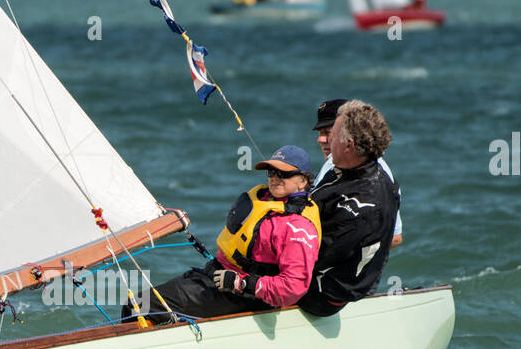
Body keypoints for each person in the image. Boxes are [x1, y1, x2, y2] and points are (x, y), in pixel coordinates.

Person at [125, 146, 320, 322]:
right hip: (213, 279)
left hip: (242, 296)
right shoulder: (264, 199)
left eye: (283, 173)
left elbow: (293, 287)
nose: (275, 177)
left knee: (138, 305)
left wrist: (243, 283)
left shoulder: (299, 228)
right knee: (137, 303)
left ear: (302, 180)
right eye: (271, 171)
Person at [298, 100, 400, 317]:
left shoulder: (366, 201)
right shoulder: (343, 168)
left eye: (331, 133)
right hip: (315, 275)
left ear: (349, 144)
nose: (324, 140)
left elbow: (311, 258)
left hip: (320, 294)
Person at [313, 97, 402, 249]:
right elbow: (395, 237)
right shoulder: (382, 171)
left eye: (329, 132)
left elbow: (394, 237)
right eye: (321, 132)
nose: (321, 139)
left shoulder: (334, 164)